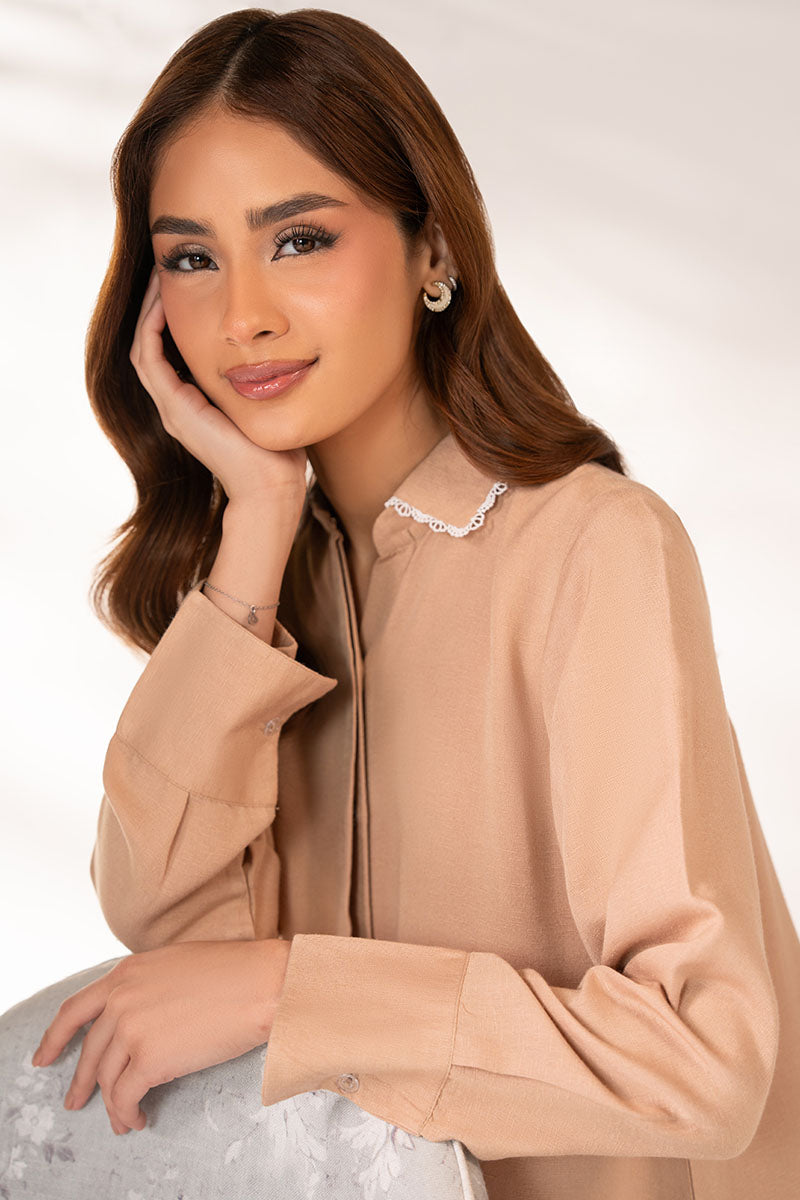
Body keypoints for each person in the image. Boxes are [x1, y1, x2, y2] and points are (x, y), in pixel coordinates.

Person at [1, 7, 798, 1200]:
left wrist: (295, 989)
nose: (243, 316)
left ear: (433, 250)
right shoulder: (268, 583)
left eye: (300, 239)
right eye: (192, 258)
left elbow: (702, 1062)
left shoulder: (591, 549)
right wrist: (254, 526)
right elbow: (164, 925)